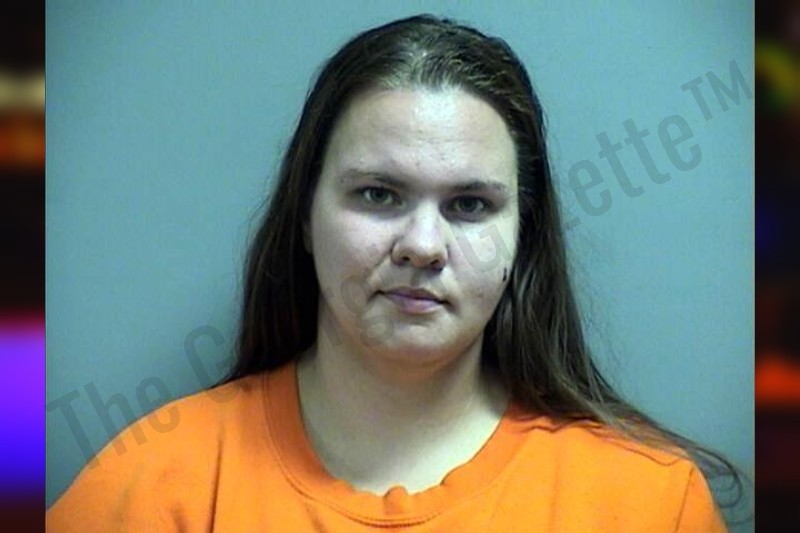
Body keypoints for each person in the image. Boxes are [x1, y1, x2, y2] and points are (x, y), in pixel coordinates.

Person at [47, 14, 744, 531]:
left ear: (522, 239)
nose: (423, 245)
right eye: (378, 194)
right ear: (304, 217)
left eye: (470, 205)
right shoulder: (147, 491)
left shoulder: (651, 505)